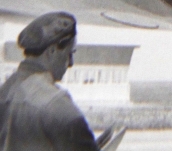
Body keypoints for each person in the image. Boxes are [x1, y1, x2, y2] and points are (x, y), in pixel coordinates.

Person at [0, 12, 101, 150]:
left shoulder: (5, 90)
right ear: (52, 51)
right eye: (69, 53)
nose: (70, 63)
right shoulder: (55, 102)